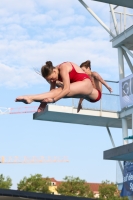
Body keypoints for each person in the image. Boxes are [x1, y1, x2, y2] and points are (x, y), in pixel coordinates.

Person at [15, 61, 104, 112]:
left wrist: (54, 100)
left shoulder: (63, 68)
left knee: (60, 91)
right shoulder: (54, 73)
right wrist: (43, 104)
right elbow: (51, 92)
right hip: (85, 94)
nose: (52, 81)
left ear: (54, 71)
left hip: (89, 87)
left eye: (52, 78)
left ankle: (31, 97)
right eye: (49, 80)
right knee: (56, 91)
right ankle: (31, 98)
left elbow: (66, 89)